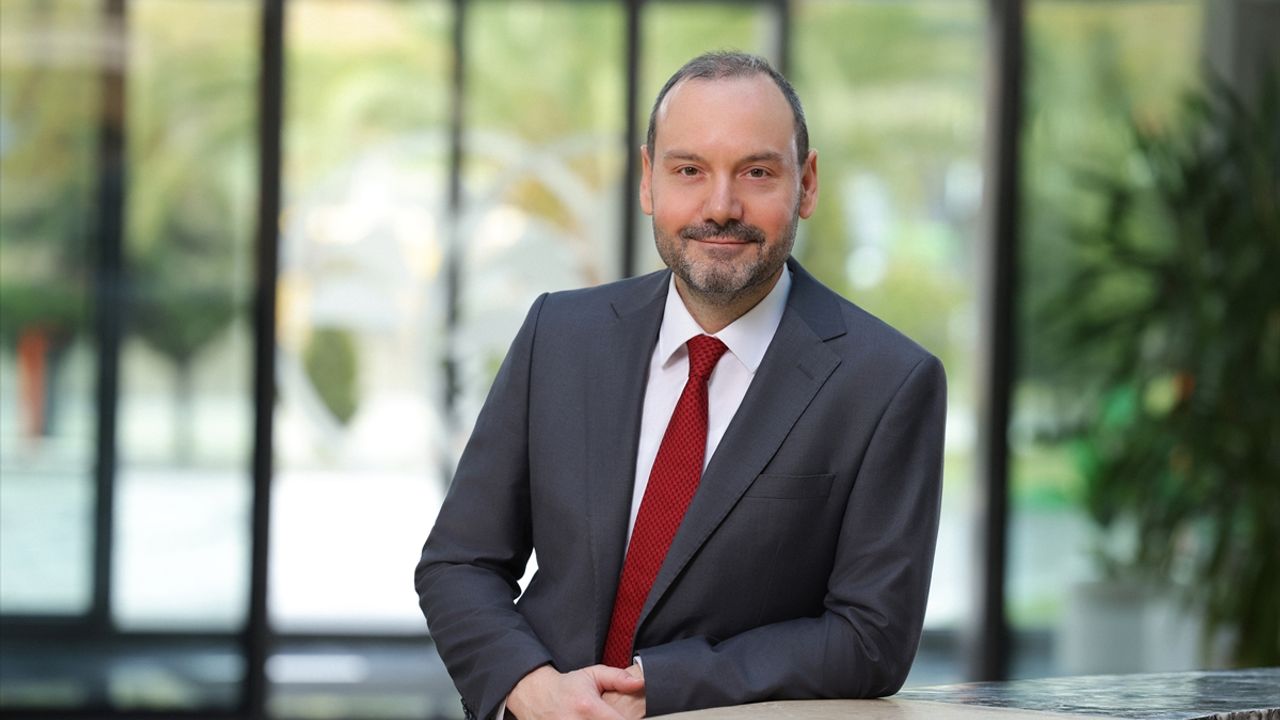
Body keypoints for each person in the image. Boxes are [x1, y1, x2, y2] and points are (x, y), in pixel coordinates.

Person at [415, 51, 946, 720]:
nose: (720, 207)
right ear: (648, 182)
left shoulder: (888, 382)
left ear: (807, 185)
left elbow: (871, 639)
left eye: (757, 172)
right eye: (689, 170)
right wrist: (532, 688)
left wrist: (660, 686)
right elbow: (459, 564)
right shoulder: (560, 335)